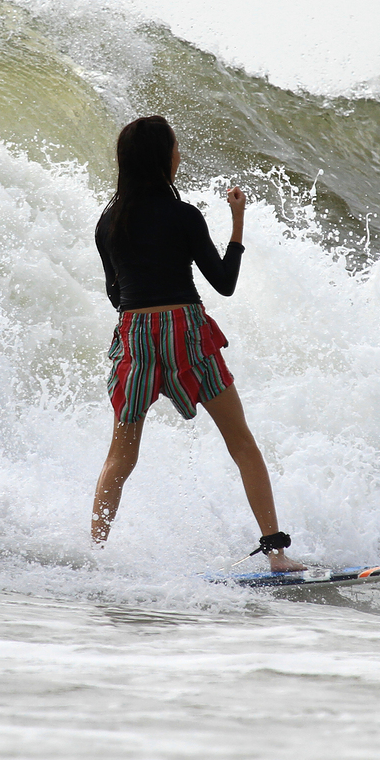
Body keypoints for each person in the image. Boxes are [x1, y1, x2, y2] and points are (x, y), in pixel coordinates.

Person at [91, 116, 305, 572]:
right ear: (161, 157)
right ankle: (277, 554)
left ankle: (95, 556)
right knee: (241, 442)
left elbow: (115, 294)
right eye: (175, 147)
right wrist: (238, 222)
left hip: (135, 336)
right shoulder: (183, 215)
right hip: (186, 332)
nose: (180, 154)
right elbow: (224, 284)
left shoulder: (107, 223)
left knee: (120, 456)